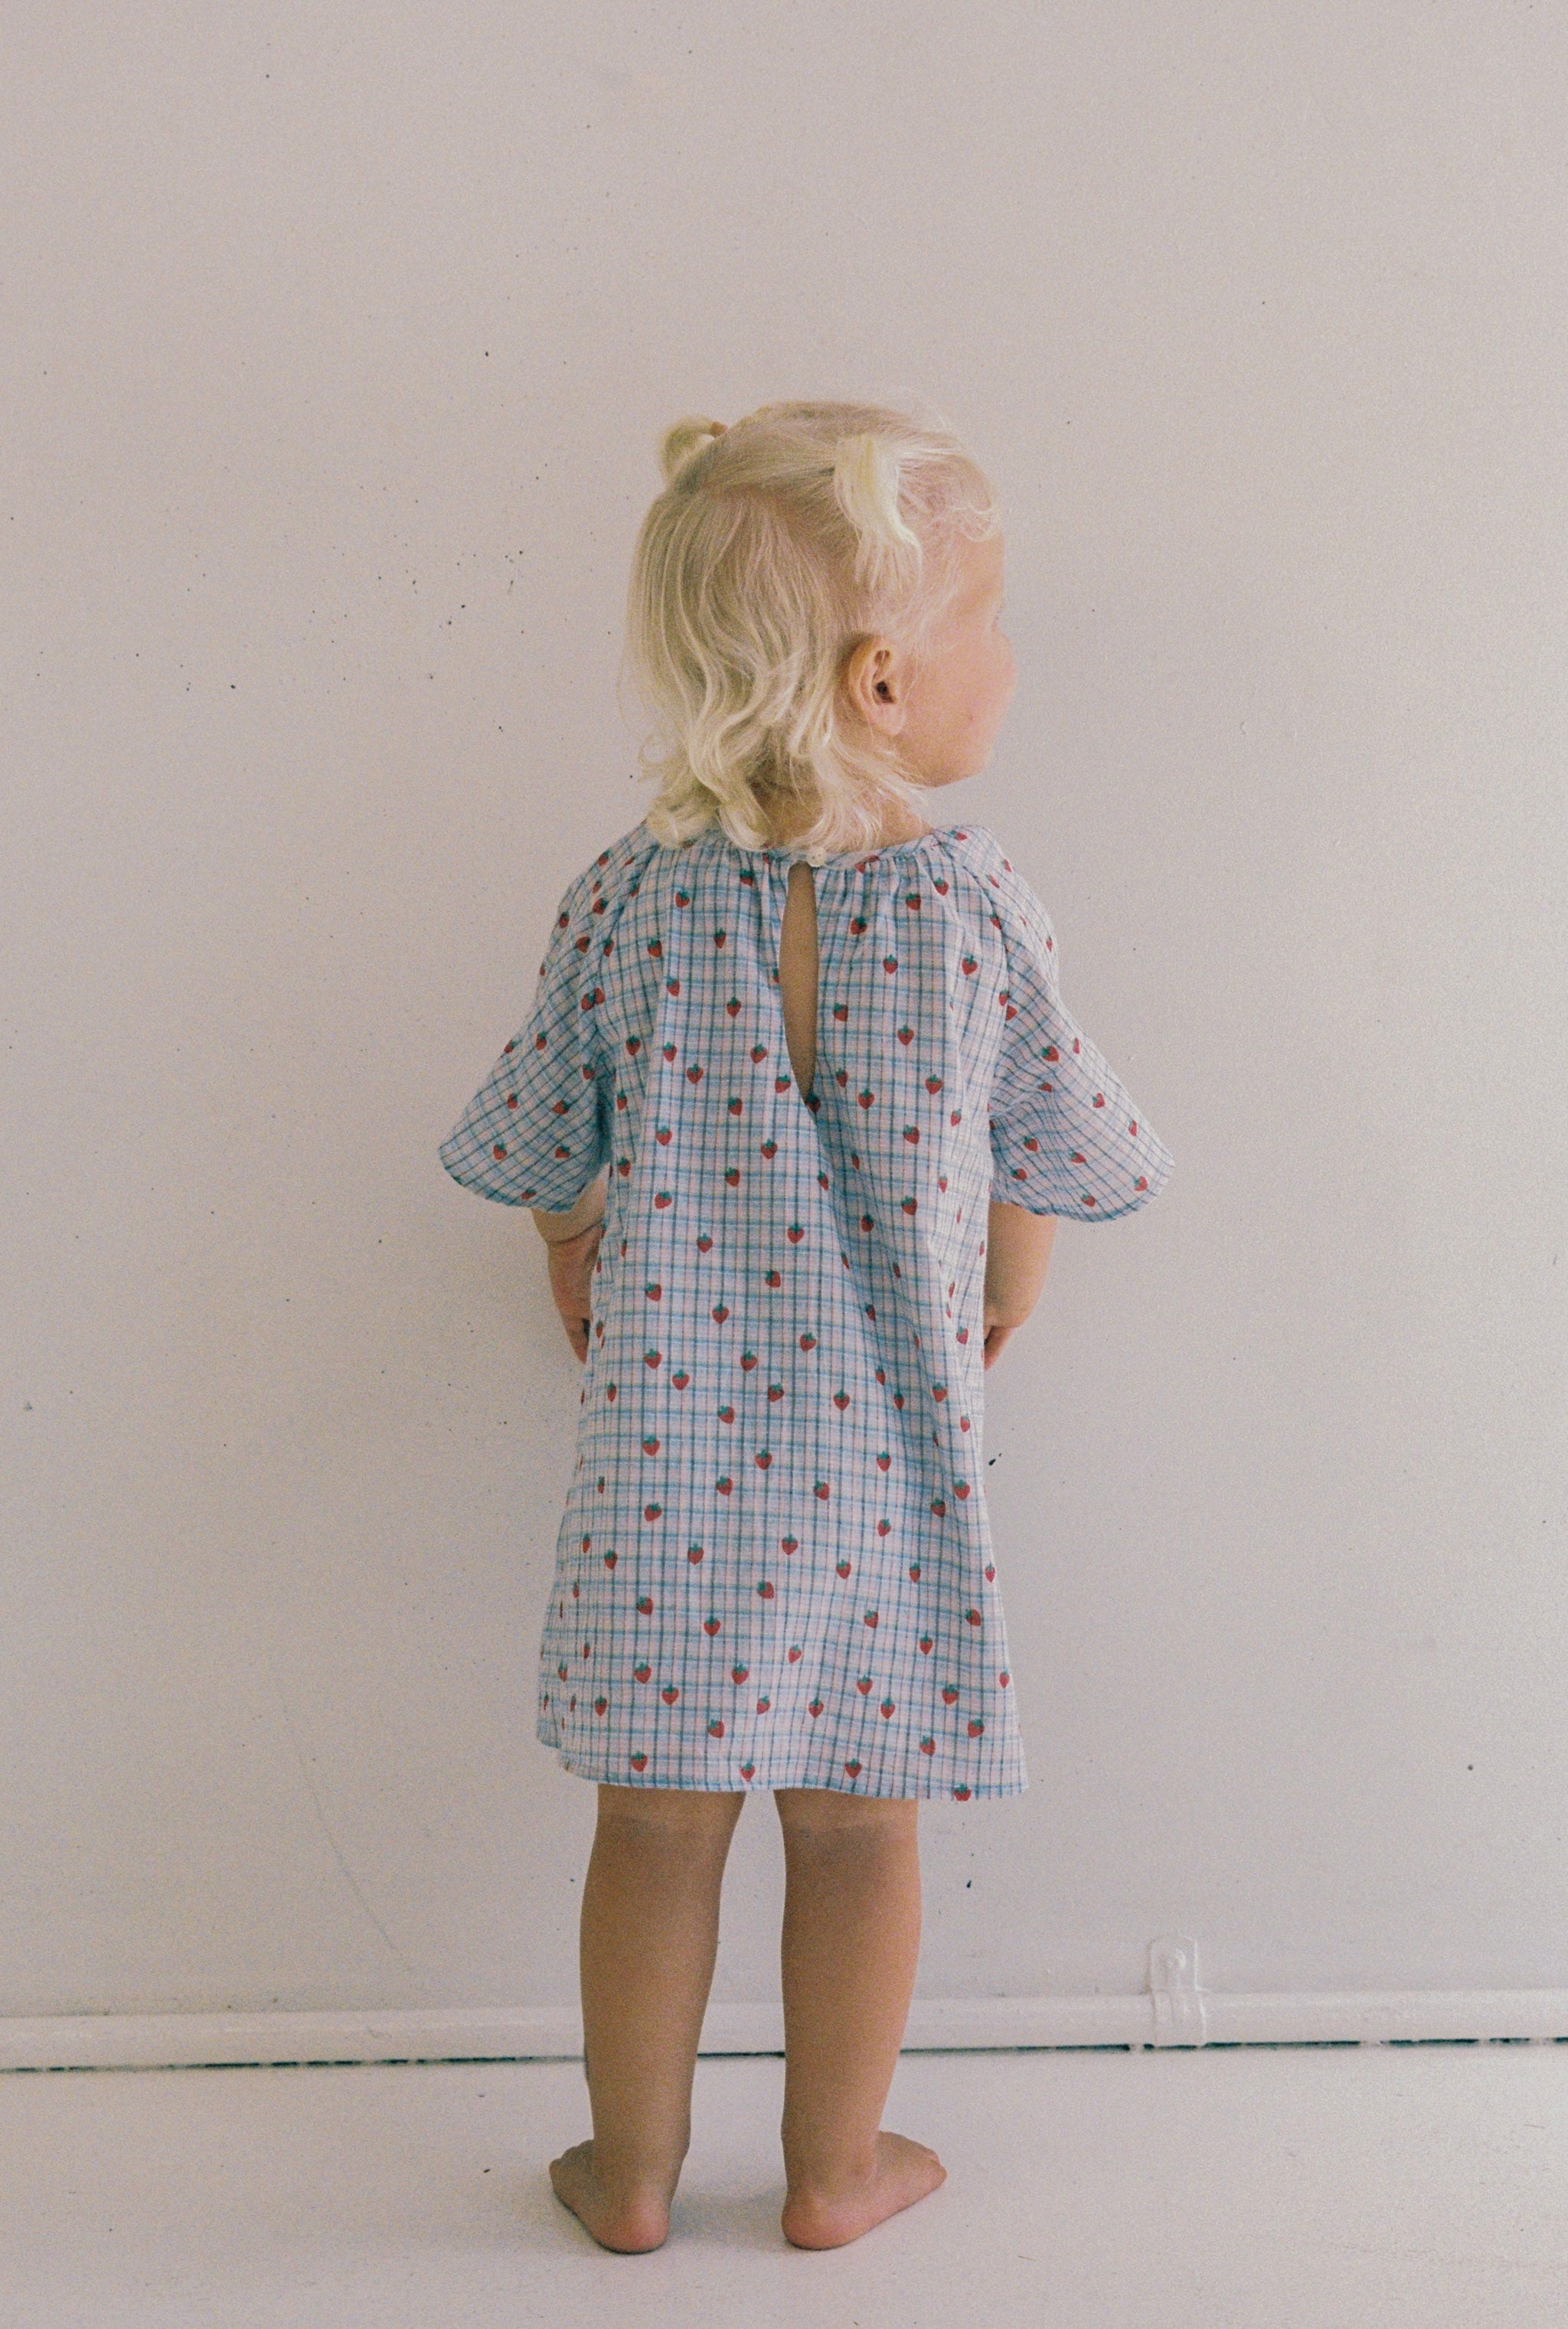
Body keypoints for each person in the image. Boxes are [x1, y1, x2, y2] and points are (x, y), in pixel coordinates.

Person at [438, 400, 1174, 2253]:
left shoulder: (626, 898)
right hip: (885, 1468)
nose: (1009, 659)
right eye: (987, 620)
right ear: (879, 683)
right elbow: (1062, 1146)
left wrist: (572, 1245)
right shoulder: (973, 906)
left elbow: (538, 1139)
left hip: (667, 1470)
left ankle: (629, 2177)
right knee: (860, 1833)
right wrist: (1005, 1271)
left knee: (655, 1833)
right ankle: (841, 2174)